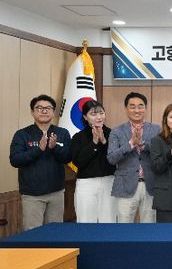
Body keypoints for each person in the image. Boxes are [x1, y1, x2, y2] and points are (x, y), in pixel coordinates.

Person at [10, 94, 71, 230]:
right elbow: (15, 160)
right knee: (33, 234)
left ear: (53, 112)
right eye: (39, 108)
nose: (44, 111)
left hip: (56, 193)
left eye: (48, 108)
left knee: (55, 233)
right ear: (32, 112)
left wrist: (54, 148)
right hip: (32, 195)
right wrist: (38, 149)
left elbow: (68, 158)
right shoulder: (22, 134)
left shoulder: (62, 133)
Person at [107, 92, 160, 223]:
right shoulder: (116, 131)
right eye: (132, 106)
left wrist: (143, 144)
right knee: (124, 226)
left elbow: (161, 154)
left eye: (140, 106)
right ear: (126, 109)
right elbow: (111, 158)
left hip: (150, 185)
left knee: (150, 226)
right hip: (125, 185)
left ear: (146, 108)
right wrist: (130, 144)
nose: (137, 110)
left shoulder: (157, 129)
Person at [69, 100, 116, 223]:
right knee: (86, 220)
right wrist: (94, 142)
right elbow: (78, 161)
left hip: (109, 181)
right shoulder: (78, 137)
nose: (99, 117)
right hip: (86, 183)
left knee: (109, 220)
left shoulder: (113, 134)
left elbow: (116, 158)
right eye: (93, 114)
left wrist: (104, 141)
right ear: (85, 117)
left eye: (101, 113)